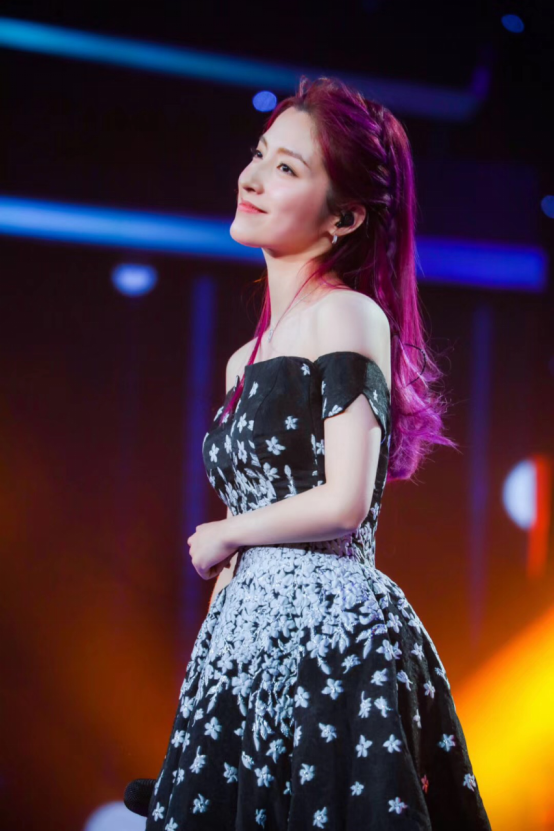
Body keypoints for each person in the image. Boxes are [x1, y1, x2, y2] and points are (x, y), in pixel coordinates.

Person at [145, 76, 491, 829]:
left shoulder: (349, 314)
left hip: (332, 644)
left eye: (286, 167)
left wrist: (226, 533)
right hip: (242, 645)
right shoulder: (241, 364)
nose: (252, 178)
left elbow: (344, 502)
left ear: (346, 216)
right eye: (259, 155)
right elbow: (245, 537)